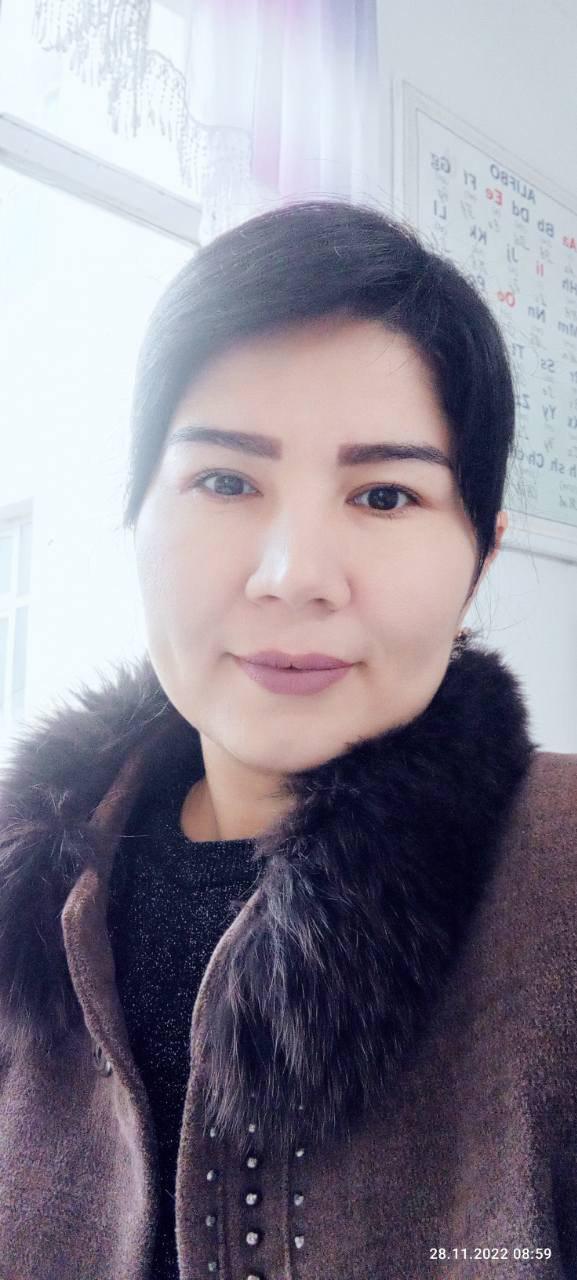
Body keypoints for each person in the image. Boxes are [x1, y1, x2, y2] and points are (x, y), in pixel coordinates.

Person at [0, 199, 575, 1280]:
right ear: (134, 515)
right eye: (224, 480)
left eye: (385, 494)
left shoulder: (561, 870)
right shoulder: (24, 897)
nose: (292, 574)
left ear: (480, 557)